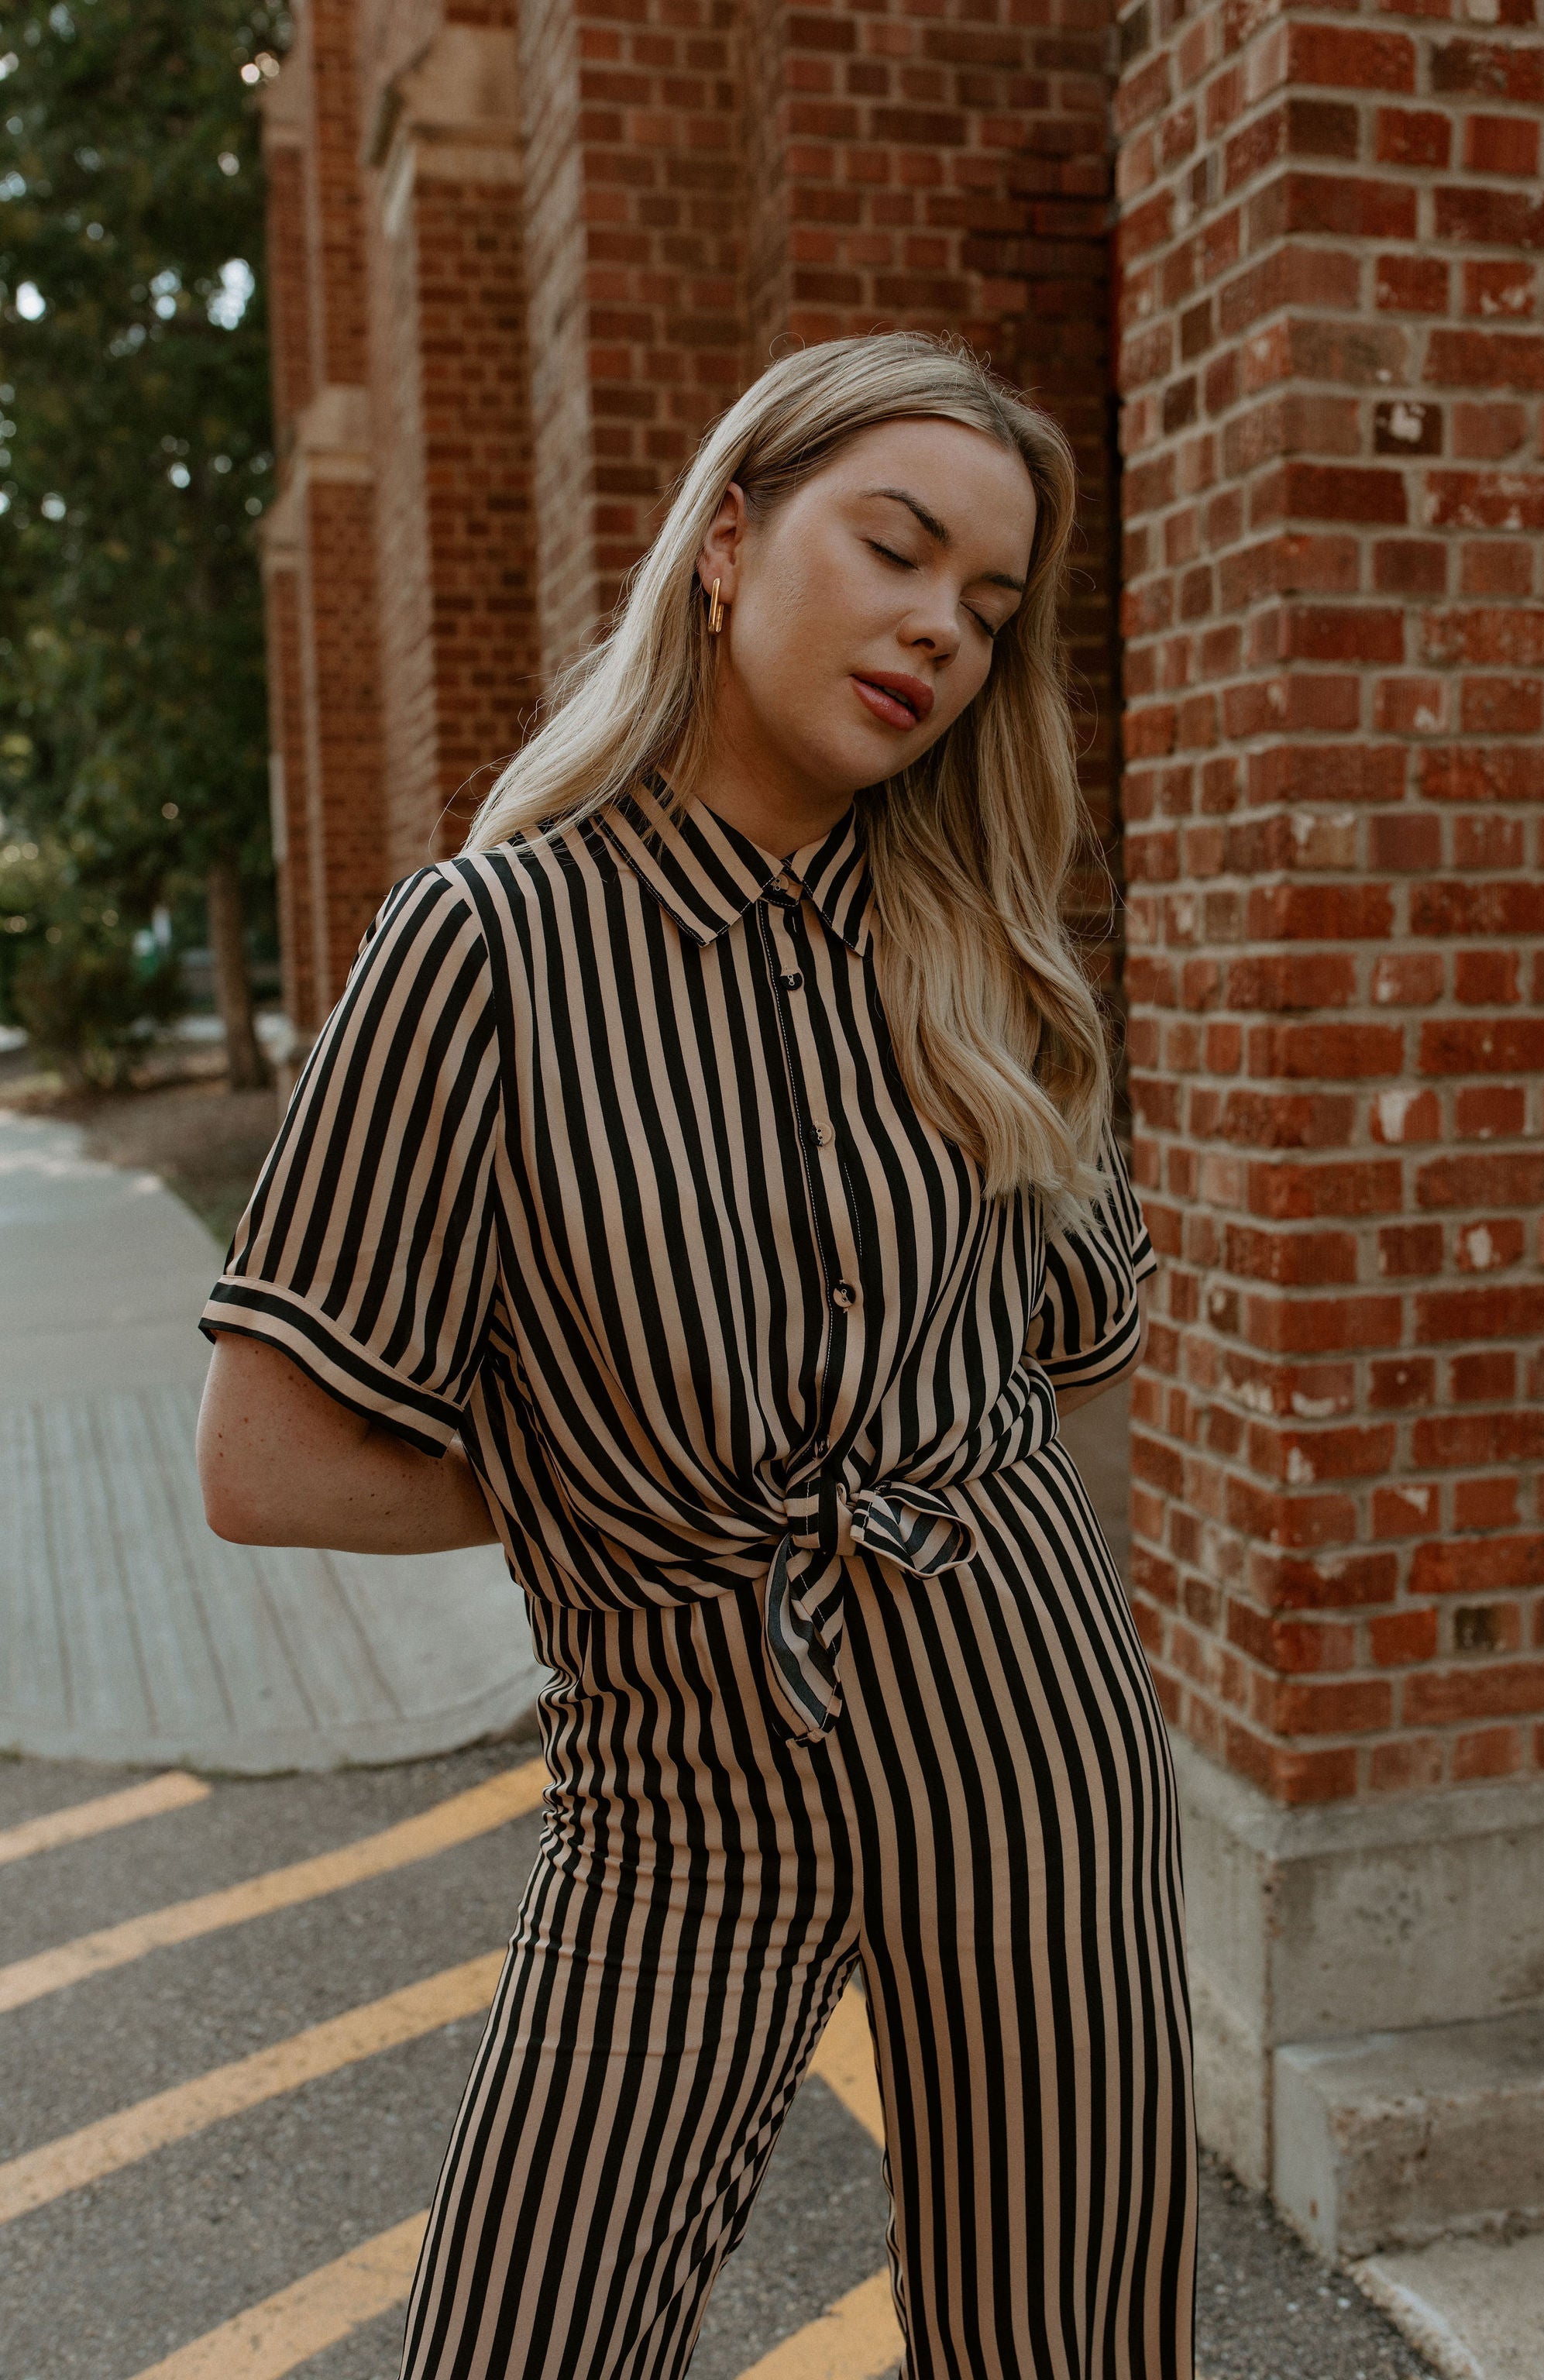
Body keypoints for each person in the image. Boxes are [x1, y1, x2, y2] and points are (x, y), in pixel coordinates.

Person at [196, 332, 1198, 2380]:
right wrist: (616, 1491)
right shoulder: (486, 949)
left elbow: (1083, 1363)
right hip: (678, 1782)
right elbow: (268, 1460)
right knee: (525, 2335)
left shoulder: (990, 957)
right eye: (895, 550)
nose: (940, 629)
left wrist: (1067, 1649)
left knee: (1068, 2343)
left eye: (989, 605)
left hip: (1035, 1750)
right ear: (727, 542)